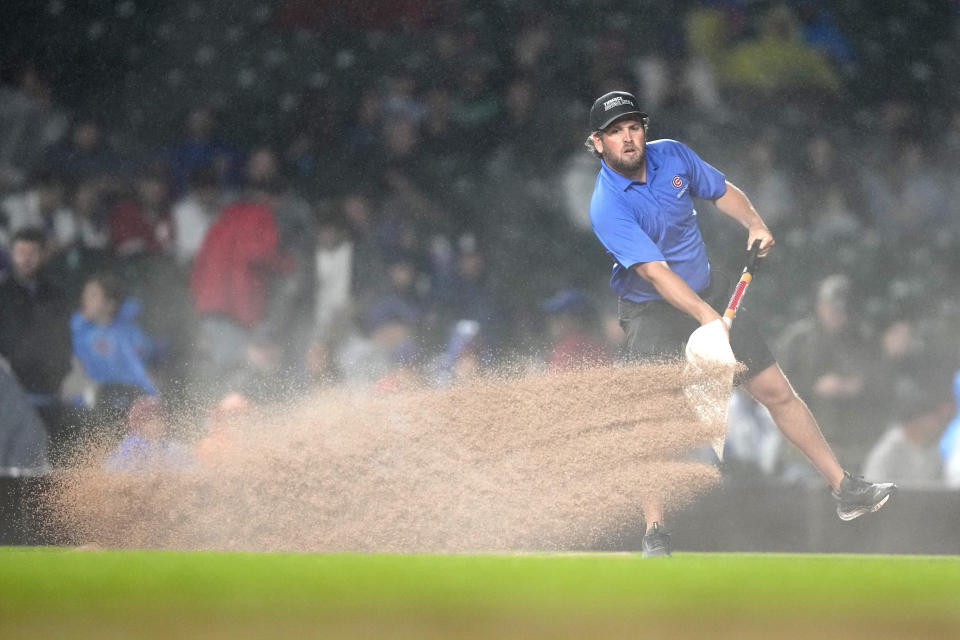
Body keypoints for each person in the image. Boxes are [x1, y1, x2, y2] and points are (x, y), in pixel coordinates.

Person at [584, 90, 896, 557]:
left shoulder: (673, 155)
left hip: (709, 293)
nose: (628, 138)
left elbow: (724, 192)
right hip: (651, 311)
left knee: (776, 391)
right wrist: (708, 319)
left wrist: (755, 223)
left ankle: (844, 489)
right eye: (615, 132)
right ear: (598, 143)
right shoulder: (605, 203)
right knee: (651, 423)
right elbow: (654, 272)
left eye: (633, 127)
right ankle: (655, 531)